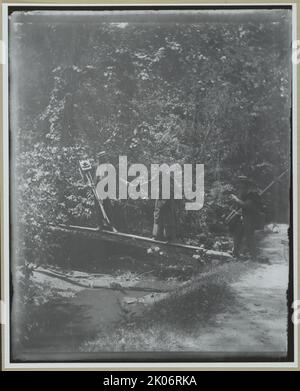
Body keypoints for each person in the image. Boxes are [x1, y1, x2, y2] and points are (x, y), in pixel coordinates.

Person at [230, 175, 262, 260]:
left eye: (241, 183)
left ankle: (254, 256)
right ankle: (235, 253)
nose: (239, 185)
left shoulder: (252, 194)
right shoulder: (243, 193)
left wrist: (235, 199)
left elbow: (246, 206)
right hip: (243, 217)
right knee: (237, 234)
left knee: (249, 237)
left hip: (251, 218)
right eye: (239, 183)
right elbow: (239, 205)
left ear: (245, 184)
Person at [152, 172, 177, 241]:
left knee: (167, 218)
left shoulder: (168, 183)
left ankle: (167, 236)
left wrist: (163, 202)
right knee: (158, 217)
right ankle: (157, 235)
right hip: (161, 201)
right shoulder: (159, 181)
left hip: (166, 202)